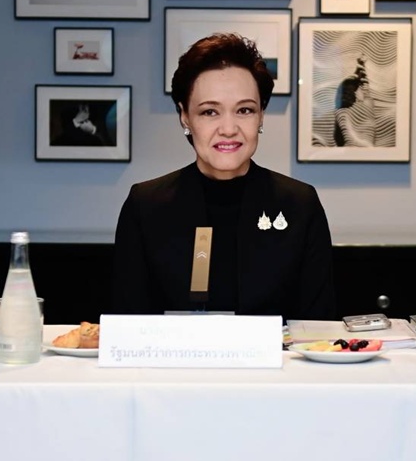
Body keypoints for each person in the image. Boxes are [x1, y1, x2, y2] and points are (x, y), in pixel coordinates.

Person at [112, 33, 335, 319]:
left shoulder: (300, 203)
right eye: (209, 112)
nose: (228, 129)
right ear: (184, 116)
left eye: (244, 110)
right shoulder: (145, 205)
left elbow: (319, 327)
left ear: (261, 115)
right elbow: (127, 324)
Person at [333, 57, 374, 147]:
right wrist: (360, 68)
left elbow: (346, 87)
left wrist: (358, 69)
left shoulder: (340, 112)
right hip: (367, 149)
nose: (346, 96)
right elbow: (365, 90)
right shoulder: (367, 105)